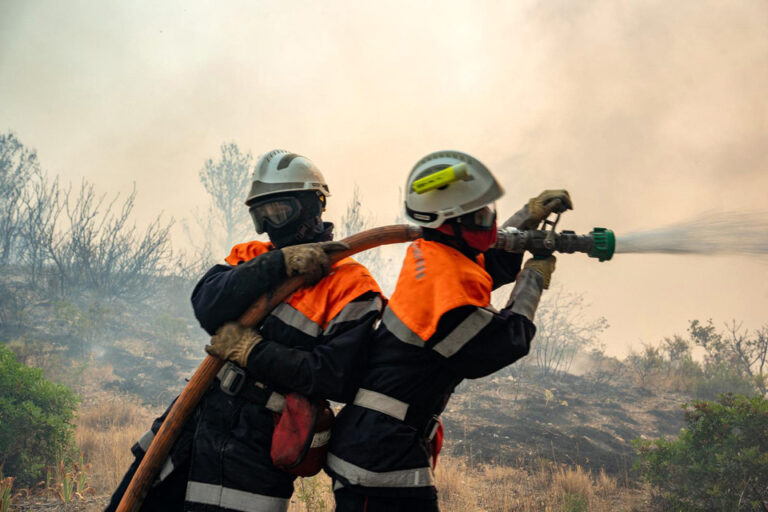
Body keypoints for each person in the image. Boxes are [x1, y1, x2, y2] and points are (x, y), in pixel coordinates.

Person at [105, 150, 383, 512]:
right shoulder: (252, 256)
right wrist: (276, 264)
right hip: (191, 426)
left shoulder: (352, 285)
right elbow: (207, 304)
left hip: (254, 446)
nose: (270, 225)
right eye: (260, 215)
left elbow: (338, 377)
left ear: (314, 206)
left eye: (279, 211)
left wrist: (254, 352)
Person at [323, 150, 571, 511]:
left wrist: (527, 219)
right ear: (448, 222)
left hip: (377, 441)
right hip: (379, 455)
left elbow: (485, 263)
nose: (490, 223)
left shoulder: (436, 252)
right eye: (480, 216)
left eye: (491, 212)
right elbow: (503, 343)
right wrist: (533, 278)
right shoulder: (444, 297)